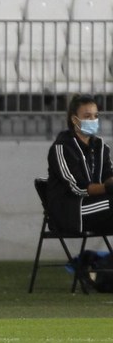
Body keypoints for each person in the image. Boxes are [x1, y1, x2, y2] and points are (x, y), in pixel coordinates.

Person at [45, 94, 113, 237]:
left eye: (95, 116)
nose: (93, 120)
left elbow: (108, 175)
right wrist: (107, 187)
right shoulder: (62, 148)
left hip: (95, 205)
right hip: (70, 212)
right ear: (74, 120)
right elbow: (77, 188)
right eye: (87, 116)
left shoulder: (101, 147)